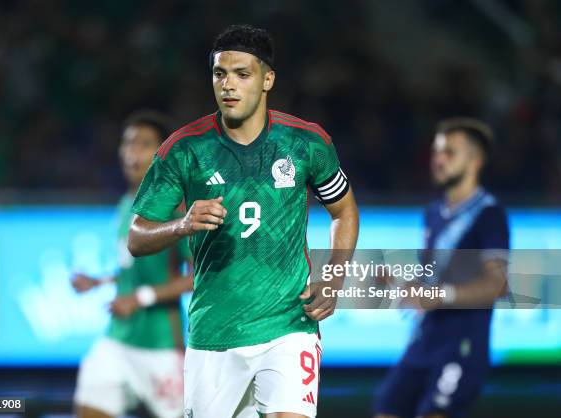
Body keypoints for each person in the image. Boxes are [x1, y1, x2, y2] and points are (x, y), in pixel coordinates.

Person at [128, 25, 359, 418]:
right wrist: (182, 224)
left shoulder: (306, 143)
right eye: (220, 74)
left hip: (289, 326)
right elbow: (137, 237)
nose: (228, 85)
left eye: (242, 74)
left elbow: (344, 211)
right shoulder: (184, 149)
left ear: (268, 79)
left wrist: (334, 276)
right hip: (213, 335)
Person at [374, 117, 510, 418]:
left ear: (475, 160)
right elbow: (432, 280)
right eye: (437, 152)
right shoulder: (433, 213)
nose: (439, 160)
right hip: (423, 340)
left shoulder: (488, 215)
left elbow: (497, 285)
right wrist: (399, 283)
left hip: (460, 344)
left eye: (449, 152)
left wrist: (442, 295)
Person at [72, 111, 192, 418]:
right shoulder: (128, 203)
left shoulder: (176, 210)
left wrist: (140, 299)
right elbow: (133, 268)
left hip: (161, 345)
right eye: (127, 143)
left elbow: (196, 277)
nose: (131, 152)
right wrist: (100, 282)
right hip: (118, 340)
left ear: (162, 154)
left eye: (143, 144)